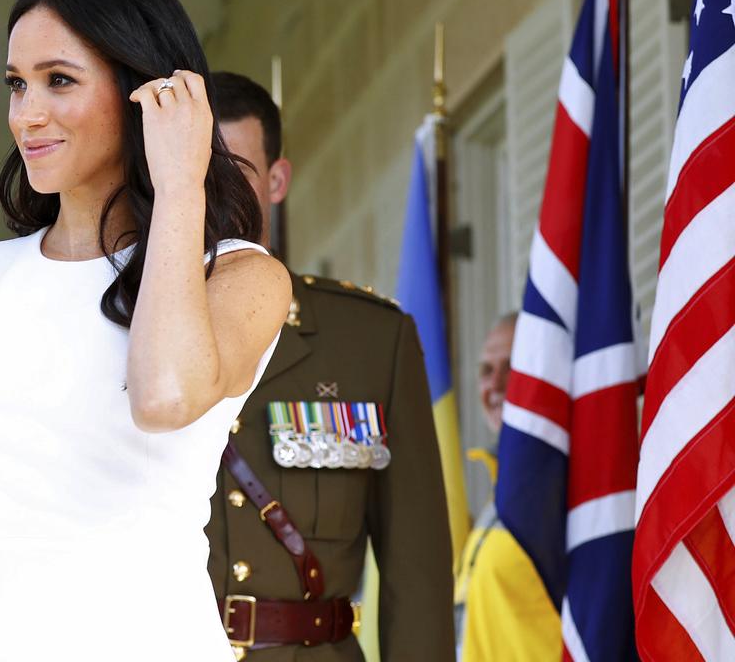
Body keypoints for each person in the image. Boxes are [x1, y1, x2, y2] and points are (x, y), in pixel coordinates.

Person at [0, 0, 290, 662]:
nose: (27, 114)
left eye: (59, 80)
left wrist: (179, 181)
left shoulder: (242, 275)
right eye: (16, 84)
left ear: (145, 95)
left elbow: (166, 395)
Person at [206, 71, 455, 661]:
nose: (214, 197)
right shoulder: (120, 337)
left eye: (235, 174)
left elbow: (415, 571)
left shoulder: (369, 340)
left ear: (277, 180)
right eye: (195, 176)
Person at [454, 313, 560, 661]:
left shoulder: (570, 485)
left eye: (513, 367)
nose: (495, 385)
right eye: (486, 370)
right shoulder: (499, 480)